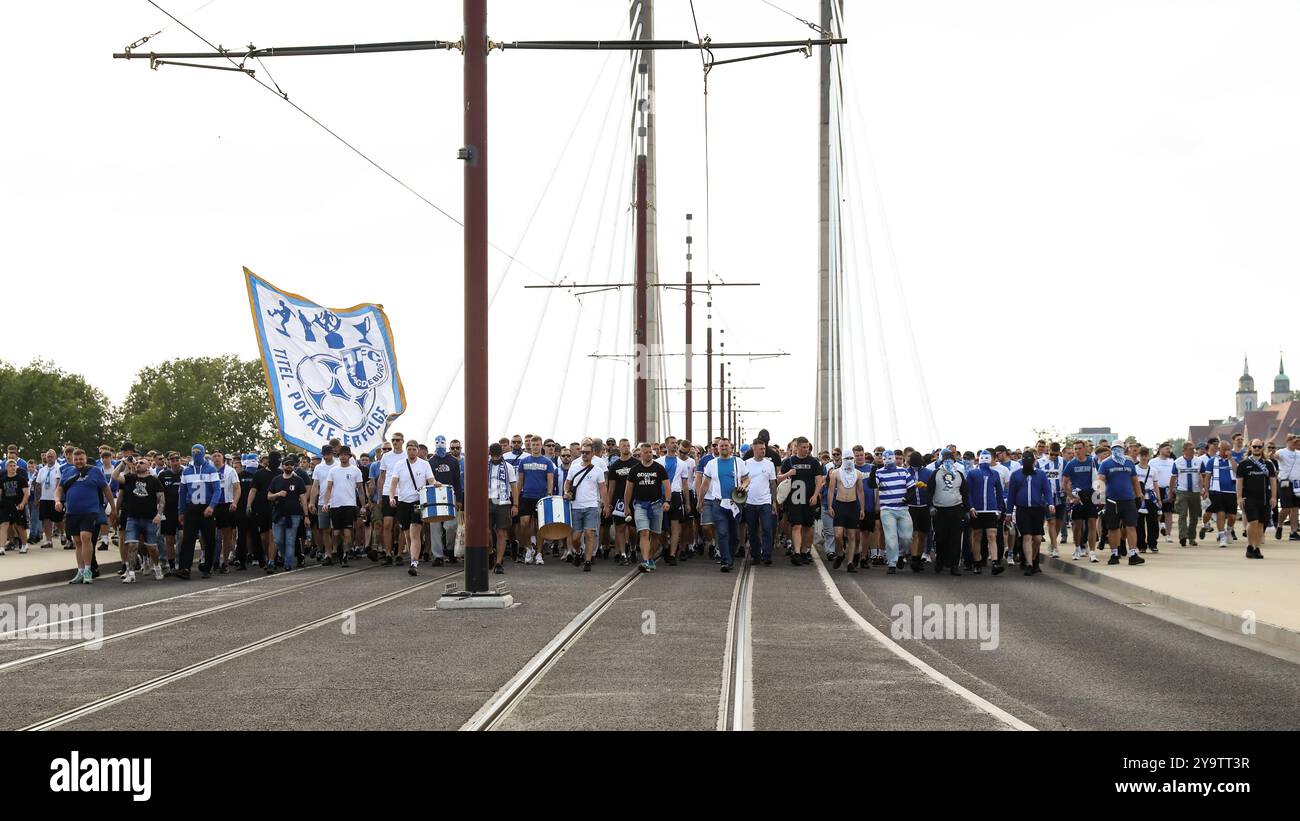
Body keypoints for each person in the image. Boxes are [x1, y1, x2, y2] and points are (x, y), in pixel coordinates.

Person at [53, 449, 115, 585]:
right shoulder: (68, 472)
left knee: (85, 537)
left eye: (81, 459)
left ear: (85, 459)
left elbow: (106, 489)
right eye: (76, 459)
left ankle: (88, 570)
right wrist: (57, 500)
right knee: (77, 541)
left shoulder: (95, 471)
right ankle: (80, 571)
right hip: (72, 512)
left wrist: (113, 508)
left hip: (90, 510)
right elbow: (59, 488)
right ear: (72, 460)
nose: (79, 462)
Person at [388, 440, 440, 576]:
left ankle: (414, 562)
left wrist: (435, 483)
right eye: (409, 449)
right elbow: (393, 484)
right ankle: (414, 556)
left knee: (414, 531)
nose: (411, 452)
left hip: (418, 501)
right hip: (404, 502)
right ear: (407, 450)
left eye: (414, 449)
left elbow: (430, 480)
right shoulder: (399, 465)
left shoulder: (424, 464)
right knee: (407, 534)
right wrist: (391, 497)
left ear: (418, 450)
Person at [176, 443, 224, 580]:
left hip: (206, 508)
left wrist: (212, 506)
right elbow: (183, 492)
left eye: (198, 452)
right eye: (194, 452)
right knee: (188, 539)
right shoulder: (186, 471)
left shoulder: (211, 470)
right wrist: (181, 511)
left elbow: (217, 490)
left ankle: (207, 567)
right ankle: (185, 568)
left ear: (203, 453)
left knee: (209, 539)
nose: (196, 454)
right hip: (191, 508)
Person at [623, 442, 671, 573]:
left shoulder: (659, 468)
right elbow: (628, 490)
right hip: (640, 505)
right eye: (645, 452)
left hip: (657, 505)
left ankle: (649, 558)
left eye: (650, 452)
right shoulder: (635, 470)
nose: (648, 454)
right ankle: (645, 561)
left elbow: (667, 486)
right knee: (644, 532)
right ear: (640, 454)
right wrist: (626, 506)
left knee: (656, 535)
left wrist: (667, 501)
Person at [699, 438, 745, 572]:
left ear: (731, 448)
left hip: (735, 503)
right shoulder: (711, 464)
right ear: (717, 449)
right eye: (721, 446)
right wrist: (700, 500)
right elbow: (705, 483)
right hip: (718, 503)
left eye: (726, 445)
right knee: (722, 532)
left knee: (735, 535)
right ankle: (726, 561)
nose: (724, 448)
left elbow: (746, 479)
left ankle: (729, 555)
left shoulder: (739, 462)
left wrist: (743, 486)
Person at [116, 458, 165, 582]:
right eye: (137, 463)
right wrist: (123, 462)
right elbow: (115, 475)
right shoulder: (130, 478)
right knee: (132, 545)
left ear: (148, 466)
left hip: (150, 519)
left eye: (141, 463)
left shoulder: (154, 481)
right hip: (133, 518)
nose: (138, 464)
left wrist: (159, 514)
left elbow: (161, 499)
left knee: (152, 547)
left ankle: (157, 566)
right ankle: (131, 573)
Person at [777, 437, 823, 566]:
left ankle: (804, 551)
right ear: (796, 447)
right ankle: (796, 552)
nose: (806, 449)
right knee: (796, 525)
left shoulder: (813, 462)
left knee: (807, 526)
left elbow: (819, 480)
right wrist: (788, 474)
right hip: (794, 499)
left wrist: (815, 495)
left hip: (809, 499)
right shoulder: (789, 461)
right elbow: (779, 478)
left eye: (807, 447)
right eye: (803, 447)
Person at [1006, 452, 1054, 575]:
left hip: (1038, 508)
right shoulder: (1016, 475)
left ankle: (1033, 559)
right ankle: (1029, 564)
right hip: (1022, 509)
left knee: (1037, 538)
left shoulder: (1041, 474)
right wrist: (1009, 512)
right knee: (1026, 536)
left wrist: (1050, 503)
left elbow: (1047, 490)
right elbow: (1011, 495)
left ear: (1034, 462)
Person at [1098, 444, 1145, 566]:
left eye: (1120, 448)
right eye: (1115, 448)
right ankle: (1114, 554)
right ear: (1112, 450)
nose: (1117, 451)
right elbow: (1100, 480)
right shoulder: (1106, 463)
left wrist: (1139, 494)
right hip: (1112, 500)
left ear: (1124, 450)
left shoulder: (1129, 462)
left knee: (1131, 526)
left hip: (1128, 499)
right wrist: (1100, 498)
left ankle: (1133, 554)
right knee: (1113, 528)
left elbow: (1134, 479)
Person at [871, 449, 915, 575]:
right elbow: (872, 485)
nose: (887, 461)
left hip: (903, 509)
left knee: (907, 537)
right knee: (891, 537)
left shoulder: (903, 471)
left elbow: (911, 487)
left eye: (889, 458)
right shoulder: (879, 472)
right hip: (887, 509)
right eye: (885, 459)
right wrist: (874, 470)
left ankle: (901, 554)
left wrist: (908, 498)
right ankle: (892, 563)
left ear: (894, 458)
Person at [515, 437, 557, 565]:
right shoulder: (524, 461)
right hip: (526, 496)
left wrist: (549, 495)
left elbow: (550, 480)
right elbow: (520, 481)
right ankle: (529, 548)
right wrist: (516, 499)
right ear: (530, 445)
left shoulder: (547, 462)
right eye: (533, 444)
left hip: (541, 497)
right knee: (524, 524)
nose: (535, 447)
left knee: (540, 526)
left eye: (537, 444)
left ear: (541, 446)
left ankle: (539, 553)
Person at [564, 443, 605, 571]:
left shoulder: (598, 470)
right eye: (583, 452)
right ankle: (578, 551)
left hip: (591, 505)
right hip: (576, 506)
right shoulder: (574, 467)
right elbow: (567, 483)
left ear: (593, 454)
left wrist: (605, 503)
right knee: (575, 537)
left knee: (589, 533)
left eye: (587, 452)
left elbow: (603, 488)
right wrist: (566, 492)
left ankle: (587, 561)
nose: (584, 455)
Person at [322, 446, 365, 567]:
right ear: (338, 456)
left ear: (349, 456)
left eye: (345, 454)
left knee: (347, 532)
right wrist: (326, 503)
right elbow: (329, 488)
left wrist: (362, 505)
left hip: (349, 505)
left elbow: (360, 489)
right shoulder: (333, 471)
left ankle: (346, 555)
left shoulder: (355, 470)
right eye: (341, 454)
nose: (343, 456)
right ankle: (339, 550)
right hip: (335, 505)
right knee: (335, 533)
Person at [1236, 438, 1277, 559]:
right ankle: (1249, 547)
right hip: (1249, 497)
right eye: (1255, 447)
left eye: (1259, 447)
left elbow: (1273, 482)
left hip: (1264, 498)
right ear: (1250, 447)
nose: (1257, 449)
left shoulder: (1268, 464)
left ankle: (1257, 548)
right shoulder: (1244, 464)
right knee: (1252, 522)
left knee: (1260, 524)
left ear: (1262, 448)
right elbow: (1239, 482)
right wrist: (1239, 497)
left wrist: (1274, 497)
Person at [267, 456, 308, 573]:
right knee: (278, 540)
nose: (289, 466)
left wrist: (306, 515)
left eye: (291, 464)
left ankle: (288, 563)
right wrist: (278, 494)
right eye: (287, 464)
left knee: (290, 540)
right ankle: (285, 557)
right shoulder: (276, 479)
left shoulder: (298, 480)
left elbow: (303, 498)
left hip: (293, 515)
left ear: (294, 466)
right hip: (278, 514)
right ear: (283, 466)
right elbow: (268, 496)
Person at [966, 450, 1005, 574]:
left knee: (992, 535)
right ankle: (977, 562)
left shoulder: (995, 474)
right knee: (977, 535)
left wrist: (999, 508)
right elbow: (968, 492)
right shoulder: (972, 473)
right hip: (977, 509)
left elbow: (999, 492)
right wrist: (971, 507)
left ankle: (995, 562)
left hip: (991, 509)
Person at [930, 451, 968, 575]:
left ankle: (954, 565)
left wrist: (967, 510)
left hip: (956, 509)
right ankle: (940, 561)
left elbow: (965, 493)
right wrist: (930, 506)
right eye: (945, 461)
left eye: (950, 461)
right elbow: (929, 491)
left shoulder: (959, 475)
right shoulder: (935, 474)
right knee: (940, 538)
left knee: (955, 539)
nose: (948, 463)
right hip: (940, 510)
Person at [1062, 441, 1100, 562]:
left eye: (1079, 448)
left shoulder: (1092, 462)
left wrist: (1100, 497)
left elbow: (1100, 479)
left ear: (1085, 449)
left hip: (1091, 495)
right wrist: (1071, 497)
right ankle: (1078, 548)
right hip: (1077, 496)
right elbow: (1064, 483)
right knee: (1077, 525)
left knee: (1092, 523)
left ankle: (1092, 551)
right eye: (1075, 449)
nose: (1077, 451)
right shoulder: (1071, 464)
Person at [428, 435, 463, 565]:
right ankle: (438, 556)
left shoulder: (453, 461)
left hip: (450, 495)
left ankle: (450, 549)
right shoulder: (430, 462)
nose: (439, 444)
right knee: (435, 526)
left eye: (442, 442)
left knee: (450, 526)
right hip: (434, 496)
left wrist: (459, 498)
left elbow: (457, 481)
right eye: (437, 442)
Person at [743, 440, 778, 566]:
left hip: (765, 502)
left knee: (767, 528)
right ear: (754, 449)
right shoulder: (746, 463)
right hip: (750, 502)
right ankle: (755, 555)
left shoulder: (769, 464)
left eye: (764, 448)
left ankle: (767, 554)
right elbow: (742, 481)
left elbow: (773, 483)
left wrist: (774, 501)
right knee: (752, 530)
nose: (763, 451)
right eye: (760, 449)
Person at [827, 454, 865, 571]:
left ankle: (850, 562)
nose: (849, 461)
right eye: (846, 458)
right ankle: (840, 553)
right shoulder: (835, 473)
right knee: (838, 535)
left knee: (852, 535)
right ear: (842, 460)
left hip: (853, 505)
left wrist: (862, 508)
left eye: (850, 458)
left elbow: (860, 491)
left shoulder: (858, 474)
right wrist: (830, 506)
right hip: (840, 504)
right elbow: (831, 490)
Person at [487, 443, 520, 574]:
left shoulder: (509, 467)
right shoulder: (485, 466)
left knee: (502, 533)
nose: (495, 458)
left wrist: (515, 504)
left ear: (501, 454)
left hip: (503, 502)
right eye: (492, 456)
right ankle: (490, 551)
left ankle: (499, 562)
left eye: (497, 456)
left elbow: (514, 487)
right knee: (486, 532)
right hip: (488, 501)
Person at [1201, 440, 1240, 548]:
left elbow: (1237, 471)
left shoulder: (1233, 460)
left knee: (1232, 516)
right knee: (1220, 513)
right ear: (1219, 449)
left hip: (1231, 491)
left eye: (1229, 449)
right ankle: (1221, 535)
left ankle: (1229, 530)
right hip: (1217, 491)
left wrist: (1230, 458)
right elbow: (1208, 477)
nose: (1227, 451)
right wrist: (1206, 490)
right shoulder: (1212, 461)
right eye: (1225, 449)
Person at [211, 451, 242, 573]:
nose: (217, 458)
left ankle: (225, 562)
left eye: (219, 455)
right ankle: (213, 560)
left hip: (226, 504)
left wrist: (235, 502)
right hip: (213, 505)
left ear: (223, 458)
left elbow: (237, 488)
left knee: (226, 535)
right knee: (214, 535)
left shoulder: (230, 471)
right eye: (214, 456)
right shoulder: (209, 470)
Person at [1170, 441, 1203, 547]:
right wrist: (1171, 491)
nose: (1193, 451)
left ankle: (1192, 537)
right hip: (1182, 491)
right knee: (1182, 514)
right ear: (1184, 450)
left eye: (1193, 449)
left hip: (1195, 491)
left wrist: (1203, 489)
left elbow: (1202, 475)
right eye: (1190, 449)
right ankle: (1183, 536)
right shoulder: (1177, 462)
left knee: (1194, 516)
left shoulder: (1198, 461)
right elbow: (1173, 477)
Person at [1037, 443, 1067, 557]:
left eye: (1056, 454)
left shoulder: (1063, 462)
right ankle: (1055, 547)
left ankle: (1052, 543)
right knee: (1051, 521)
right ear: (1048, 451)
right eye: (1052, 454)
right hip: (1047, 496)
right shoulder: (1040, 462)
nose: (1054, 456)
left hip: (1061, 495)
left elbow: (1067, 477)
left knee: (1059, 523)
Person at [309, 446, 338, 562]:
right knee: (325, 529)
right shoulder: (318, 468)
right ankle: (328, 554)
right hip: (322, 502)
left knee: (336, 530)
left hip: (337, 502)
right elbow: (315, 486)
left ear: (332, 453)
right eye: (324, 454)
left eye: (328, 454)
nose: (326, 456)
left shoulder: (338, 466)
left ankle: (336, 549)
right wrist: (312, 502)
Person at [1134, 447, 1162, 554]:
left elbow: (1155, 485)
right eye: (1141, 455)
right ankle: (1141, 545)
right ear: (1138, 457)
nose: (1144, 457)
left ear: (1148, 456)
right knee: (1139, 523)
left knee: (1153, 522)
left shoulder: (1153, 470)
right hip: (1139, 498)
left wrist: (1158, 499)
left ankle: (1153, 543)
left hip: (1151, 498)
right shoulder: (1135, 469)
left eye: (1145, 455)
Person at [36, 450, 65, 549]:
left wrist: (59, 498)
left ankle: (63, 533)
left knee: (58, 519)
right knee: (46, 520)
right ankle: (48, 540)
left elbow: (60, 484)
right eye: (48, 456)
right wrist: (37, 498)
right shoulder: (42, 470)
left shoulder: (59, 468)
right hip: (44, 498)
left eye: (51, 456)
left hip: (55, 498)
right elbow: (38, 485)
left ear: (55, 457)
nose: (49, 458)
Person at [0, 460, 30, 556]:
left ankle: (24, 545)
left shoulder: (21, 479)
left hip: (18, 505)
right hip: (5, 505)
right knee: (4, 525)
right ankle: (1, 548)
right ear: (6, 468)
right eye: (11, 466)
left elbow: (26, 493)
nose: (13, 467)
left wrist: (22, 503)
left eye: (14, 465)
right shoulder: (2, 480)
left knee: (20, 525)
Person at [1276, 435, 1300, 541]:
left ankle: (1293, 532)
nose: (1297, 444)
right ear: (1288, 441)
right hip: (1285, 482)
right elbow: (1274, 456)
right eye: (1295, 442)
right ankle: (1280, 525)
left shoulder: (1299, 453)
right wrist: (1272, 455)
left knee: (1295, 508)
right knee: (1286, 508)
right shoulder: (1282, 452)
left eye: (1298, 442)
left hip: (1297, 484)